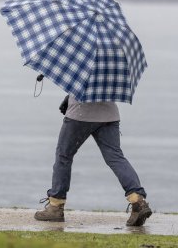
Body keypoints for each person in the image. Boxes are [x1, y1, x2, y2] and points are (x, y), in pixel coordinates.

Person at [34, 93, 152, 226]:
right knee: (115, 157)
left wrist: (70, 97)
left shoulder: (84, 71)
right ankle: (138, 200)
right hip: (109, 114)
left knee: (64, 156)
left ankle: (56, 207)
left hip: (79, 113)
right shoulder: (111, 71)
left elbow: (81, 80)